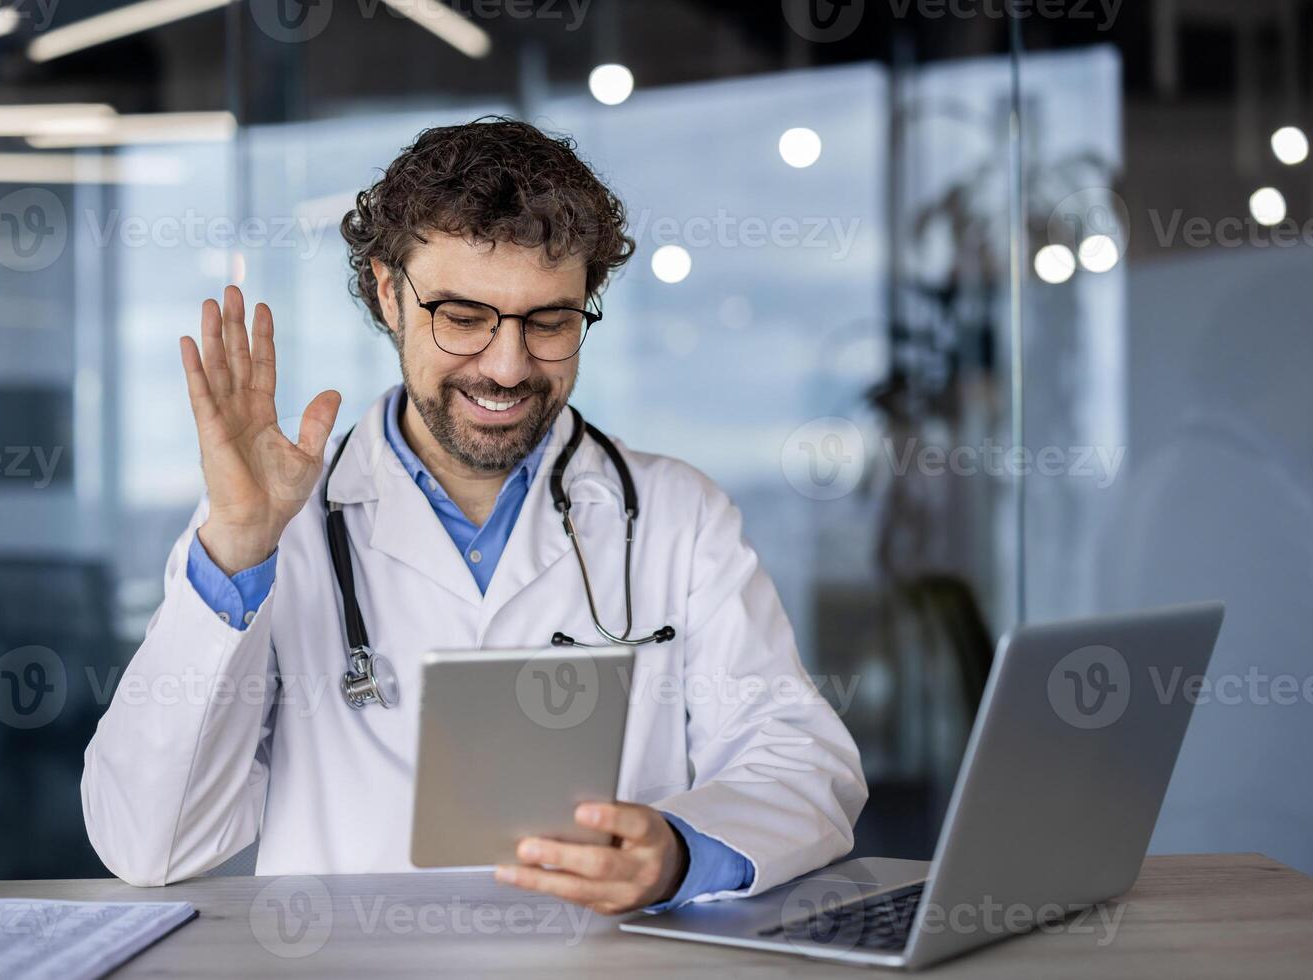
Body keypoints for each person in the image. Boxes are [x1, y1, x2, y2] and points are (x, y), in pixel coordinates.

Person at [81, 117, 867, 915]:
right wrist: (241, 546)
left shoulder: (675, 515)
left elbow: (802, 765)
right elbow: (150, 842)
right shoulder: (276, 529)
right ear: (389, 293)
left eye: (550, 321)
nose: (506, 365)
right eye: (462, 317)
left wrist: (679, 852)